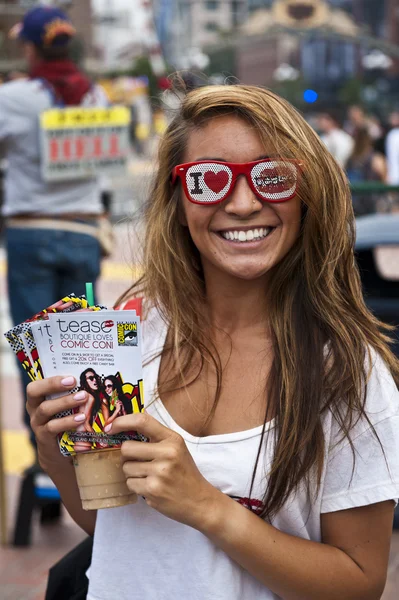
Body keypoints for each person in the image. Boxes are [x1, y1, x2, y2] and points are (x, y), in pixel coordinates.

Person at [27, 84, 399, 600]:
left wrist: (206, 506)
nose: (243, 204)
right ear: (179, 203)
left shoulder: (348, 371)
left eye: (272, 177)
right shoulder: (131, 334)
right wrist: (55, 452)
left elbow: (359, 584)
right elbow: (116, 532)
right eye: (208, 180)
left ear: (305, 194)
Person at [1, 6, 109, 446]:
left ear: (30, 47)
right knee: (83, 351)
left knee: (36, 358)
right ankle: (88, 446)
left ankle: (46, 461)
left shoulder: (15, 97)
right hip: (85, 231)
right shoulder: (96, 96)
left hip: (31, 233)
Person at [346, 127, 387, 216]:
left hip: (354, 203)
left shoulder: (350, 159)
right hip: (372, 204)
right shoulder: (376, 158)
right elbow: (385, 180)